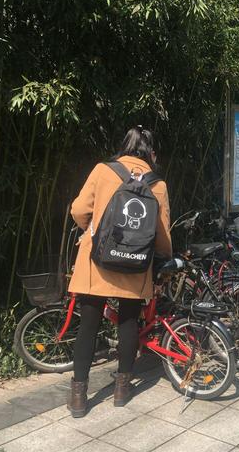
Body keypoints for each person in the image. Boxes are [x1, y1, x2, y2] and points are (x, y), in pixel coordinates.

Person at [67, 126, 172, 418]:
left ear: (125, 145)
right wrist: (164, 257)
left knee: (88, 326)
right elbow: (162, 235)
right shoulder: (158, 184)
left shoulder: (103, 170)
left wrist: (93, 231)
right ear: (151, 151)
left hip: (97, 262)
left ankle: (79, 397)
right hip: (135, 264)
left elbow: (78, 210)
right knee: (128, 324)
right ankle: (122, 390)